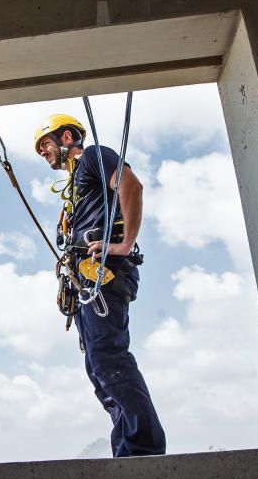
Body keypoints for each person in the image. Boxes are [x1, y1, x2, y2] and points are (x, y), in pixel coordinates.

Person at [34, 114, 167, 458]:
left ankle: (143, 447)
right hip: (86, 280)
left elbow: (130, 185)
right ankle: (127, 446)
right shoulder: (78, 183)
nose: (43, 153)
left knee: (109, 358)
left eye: (45, 144)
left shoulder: (92, 155)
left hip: (102, 274)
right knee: (98, 366)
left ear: (66, 137)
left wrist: (123, 245)